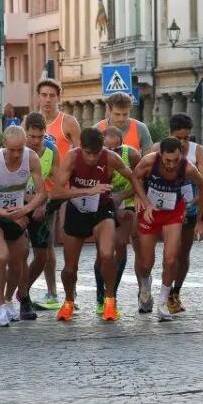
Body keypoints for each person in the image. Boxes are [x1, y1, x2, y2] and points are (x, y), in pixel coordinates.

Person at [52, 127, 146, 321]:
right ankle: (69, 300)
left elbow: (134, 177)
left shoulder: (110, 158)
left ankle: (110, 301)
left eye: (97, 153)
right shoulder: (72, 157)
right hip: (77, 210)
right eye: (88, 153)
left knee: (107, 255)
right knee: (70, 268)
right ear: (81, 148)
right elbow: (57, 192)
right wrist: (89, 190)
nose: (93, 158)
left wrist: (143, 200)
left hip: (103, 209)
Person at [132, 137, 203, 320]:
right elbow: (134, 177)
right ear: (160, 155)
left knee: (171, 258)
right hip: (150, 212)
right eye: (167, 160)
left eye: (176, 160)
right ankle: (145, 285)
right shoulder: (149, 161)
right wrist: (144, 201)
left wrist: (201, 220)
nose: (172, 165)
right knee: (145, 263)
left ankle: (162, 302)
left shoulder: (187, 167)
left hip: (173, 212)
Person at [0, 126, 46, 327]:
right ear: (4, 145)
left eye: (20, 149)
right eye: (12, 150)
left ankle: (8, 300)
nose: (16, 154)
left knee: (19, 258)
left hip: (17, 212)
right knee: (2, 255)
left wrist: (25, 210)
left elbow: (42, 193)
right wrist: (8, 214)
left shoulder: (31, 158)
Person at [36, 78, 79, 306]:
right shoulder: (30, 123)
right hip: (45, 193)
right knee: (46, 244)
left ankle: (71, 295)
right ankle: (52, 293)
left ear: (58, 98)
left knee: (70, 242)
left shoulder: (68, 122)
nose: (48, 100)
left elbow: (81, 154)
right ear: (38, 97)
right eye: (44, 95)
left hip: (67, 190)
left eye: (52, 95)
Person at [168, 113, 203, 313]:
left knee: (183, 253)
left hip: (190, 209)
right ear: (170, 135)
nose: (183, 142)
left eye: (186, 138)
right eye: (178, 138)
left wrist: (201, 217)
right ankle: (160, 290)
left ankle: (175, 293)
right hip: (167, 211)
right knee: (171, 253)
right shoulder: (159, 150)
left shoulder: (198, 151)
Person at [96, 126, 139, 315]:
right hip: (103, 204)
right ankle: (100, 294)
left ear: (122, 145)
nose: (112, 153)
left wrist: (122, 195)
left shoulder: (131, 155)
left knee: (121, 244)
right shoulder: (96, 158)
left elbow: (141, 182)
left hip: (127, 202)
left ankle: (112, 293)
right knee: (103, 253)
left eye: (116, 149)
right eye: (108, 149)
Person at [20, 112, 58, 319]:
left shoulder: (51, 151)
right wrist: (30, 201)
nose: (35, 141)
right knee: (19, 253)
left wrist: (45, 201)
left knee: (42, 256)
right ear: (25, 133)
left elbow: (59, 182)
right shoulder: (17, 149)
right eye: (31, 137)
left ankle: (22, 291)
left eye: (39, 137)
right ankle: (18, 298)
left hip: (41, 207)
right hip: (16, 206)